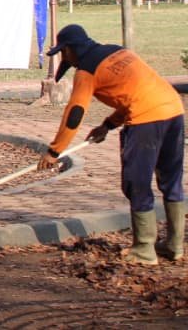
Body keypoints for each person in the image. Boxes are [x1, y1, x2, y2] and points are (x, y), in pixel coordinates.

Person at [37, 23, 184, 265]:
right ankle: (174, 245)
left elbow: (75, 113)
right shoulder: (117, 51)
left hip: (146, 119)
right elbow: (135, 92)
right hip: (174, 110)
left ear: (71, 49)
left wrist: (54, 151)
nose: (65, 58)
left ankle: (144, 249)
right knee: (171, 180)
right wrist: (108, 125)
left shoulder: (87, 71)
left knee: (136, 183)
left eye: (63, 52)